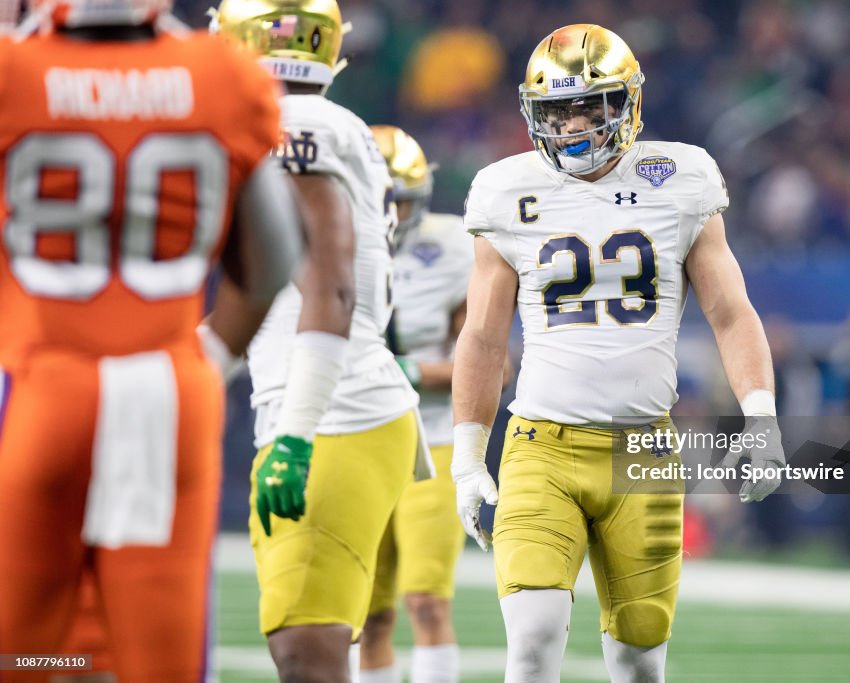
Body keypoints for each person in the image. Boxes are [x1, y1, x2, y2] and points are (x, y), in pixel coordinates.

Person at [451, 24, 785, 682]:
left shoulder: (681, 177)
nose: (571, 122)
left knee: (638, 660)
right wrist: (467, 456)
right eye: (555, 109)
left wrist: (762, 413)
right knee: (533, 638)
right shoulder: (505, 189)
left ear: (627, 103)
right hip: (540, 445)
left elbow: (730, 310)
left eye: (587, 104)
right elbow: (484, 336)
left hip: (645, 451)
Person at [0, 1, 302, 681]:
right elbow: (273, 262)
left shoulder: (13, 73)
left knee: (21, 651)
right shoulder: (221, 75)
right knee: (156, 660)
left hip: (39, 389)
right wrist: (208, 360)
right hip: (169, 393)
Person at [214, 2, 426, 681]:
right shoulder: (333, 123)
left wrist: (298, 435)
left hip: (331, 416)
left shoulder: (293, 125)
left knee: (308, 650)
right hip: (333, 406)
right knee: (305, 641)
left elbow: (330, 289)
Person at [360, 125, 496, 683]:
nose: (394, 211)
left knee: (426, 601)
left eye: (404, 198)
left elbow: (487, 361)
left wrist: (406, 370)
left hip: (432, 433)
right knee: (366, 615)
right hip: (359, 436)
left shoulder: (453, 246)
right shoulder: (324, 235)